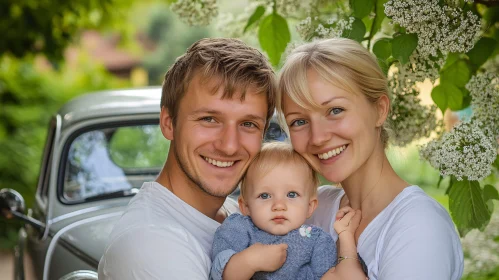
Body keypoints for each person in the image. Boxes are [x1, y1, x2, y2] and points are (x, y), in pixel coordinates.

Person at [277, 38, 464, 280]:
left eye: (335, 110)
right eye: (299, 121)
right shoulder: (313, 208)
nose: (318, 137)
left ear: (380, 109)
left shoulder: (419, 226)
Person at [98, 38, 277, 279]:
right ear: (169, 123)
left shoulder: (236, 213)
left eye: (248, 124)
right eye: (209, 119)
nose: (229, 145)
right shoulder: (151, 247)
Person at [210, 142, 367, 280]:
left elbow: (339, 275)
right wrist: (250, 261)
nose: (279, 205)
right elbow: (220, 272)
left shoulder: (317, 241)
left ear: (310, 207)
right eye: (265, 195)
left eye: (292, 194)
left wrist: (345, 236)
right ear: (246, 206)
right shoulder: (240, 229)